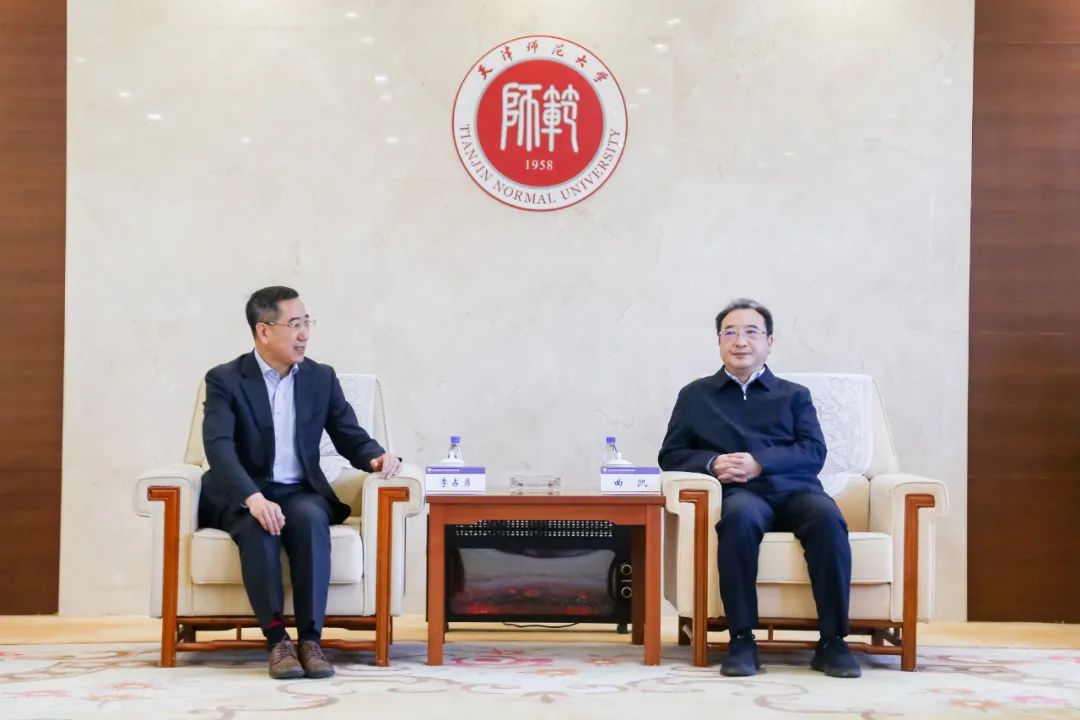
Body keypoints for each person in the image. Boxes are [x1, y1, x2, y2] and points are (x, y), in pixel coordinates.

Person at [198, 286, 401, 679]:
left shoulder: (319, 378)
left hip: (299, 491)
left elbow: (348, 434)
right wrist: (253, 498)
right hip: (244, 493)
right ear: (264, 331)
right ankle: (278, 642)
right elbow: (218, 447)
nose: (304, 334)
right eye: (294, 324)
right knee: (259, 530)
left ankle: (310, 640)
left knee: (309, 521)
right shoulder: (225, 379)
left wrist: (375, 457)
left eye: (307, 322)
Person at [658, 298, 861, 678]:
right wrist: (712, 463)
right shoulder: (695, 396)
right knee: (738, 520)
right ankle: (742, 640)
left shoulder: (794, 395)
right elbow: (671, 455)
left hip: (796, 490)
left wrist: (760, 463)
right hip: (741, 494)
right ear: (719, 342)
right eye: (730, 333)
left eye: (751, 332)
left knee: (828, 519)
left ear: (769, 342)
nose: (740, 341)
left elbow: (813, 452)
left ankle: (833, 642)